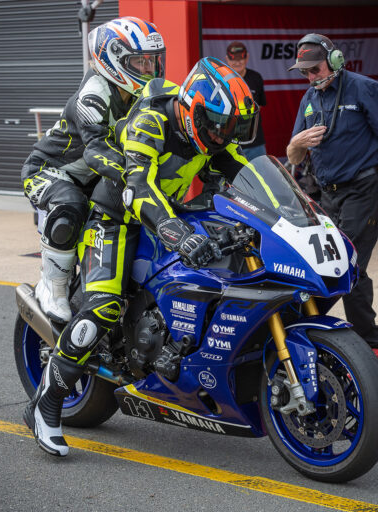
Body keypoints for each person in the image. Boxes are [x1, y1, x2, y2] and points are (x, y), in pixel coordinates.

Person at [23, 57, 259, 457]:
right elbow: (138, 189)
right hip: (115, 217)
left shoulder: (213, 136)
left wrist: (289, 216)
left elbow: (246, 175)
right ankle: (45, 405)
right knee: (104, 306)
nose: (223, 135)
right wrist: (179, 235)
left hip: (167, 214)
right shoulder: (151, 122)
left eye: (232, 128)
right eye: (217, 125)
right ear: (193, 111)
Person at [21, 17, 165, 324]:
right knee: (70, 205)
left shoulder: (141, 94)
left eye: (152, 61)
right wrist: (137, 175)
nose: (149, 70)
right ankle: (53, 287)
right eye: (140, 62)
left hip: (93, 178)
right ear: (113, 60)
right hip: (49, 171)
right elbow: (96, 151)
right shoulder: (93, 95)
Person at [286, 33, 378, 366]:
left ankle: (371, 345)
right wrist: (298, 143)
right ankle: (342, 340)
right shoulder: (308, 99)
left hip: (365, 188)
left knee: (348, 265)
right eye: (305, 72)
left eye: (316, 69)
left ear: (335, 61)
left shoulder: (363, 88)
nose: (311, 76)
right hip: (327, 195)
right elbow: (292, 156)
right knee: (327, 266)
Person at [225, 41, 268, 160]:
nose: (237, 62)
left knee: (261, 171)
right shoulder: (221, 80)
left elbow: (260, 106)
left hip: (255, 143)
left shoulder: (256, 78)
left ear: (247, 57)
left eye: (241, 58)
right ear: (227, 59)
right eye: (233, 59)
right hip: (229, 144)